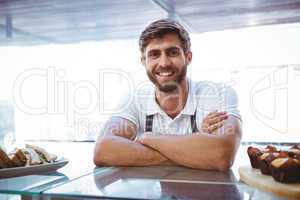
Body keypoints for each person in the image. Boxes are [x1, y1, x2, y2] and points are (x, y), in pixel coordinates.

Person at [94, 19, 242, 171]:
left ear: (188, 57)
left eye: (172, 52)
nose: (164, 63)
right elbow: (103, 150)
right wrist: (195, 151)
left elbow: (221, 155)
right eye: (154, 54)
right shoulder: (134, 99)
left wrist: (147, 138)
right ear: (143, 61)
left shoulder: (218, 93)